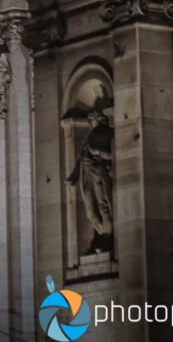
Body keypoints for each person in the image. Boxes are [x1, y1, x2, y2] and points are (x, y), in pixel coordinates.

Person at [67, 108, 114, 254]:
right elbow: (81, 158)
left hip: (98, 172)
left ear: (98, 119)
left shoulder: (107, 132)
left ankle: (108, 235)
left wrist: (98, 153)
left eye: (91, 119)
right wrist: (74, 175)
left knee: (103, 205)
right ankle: (102, 233)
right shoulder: (91, 135)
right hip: (86, 174)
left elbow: (114, 154)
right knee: (90, 211)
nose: (90, 122)